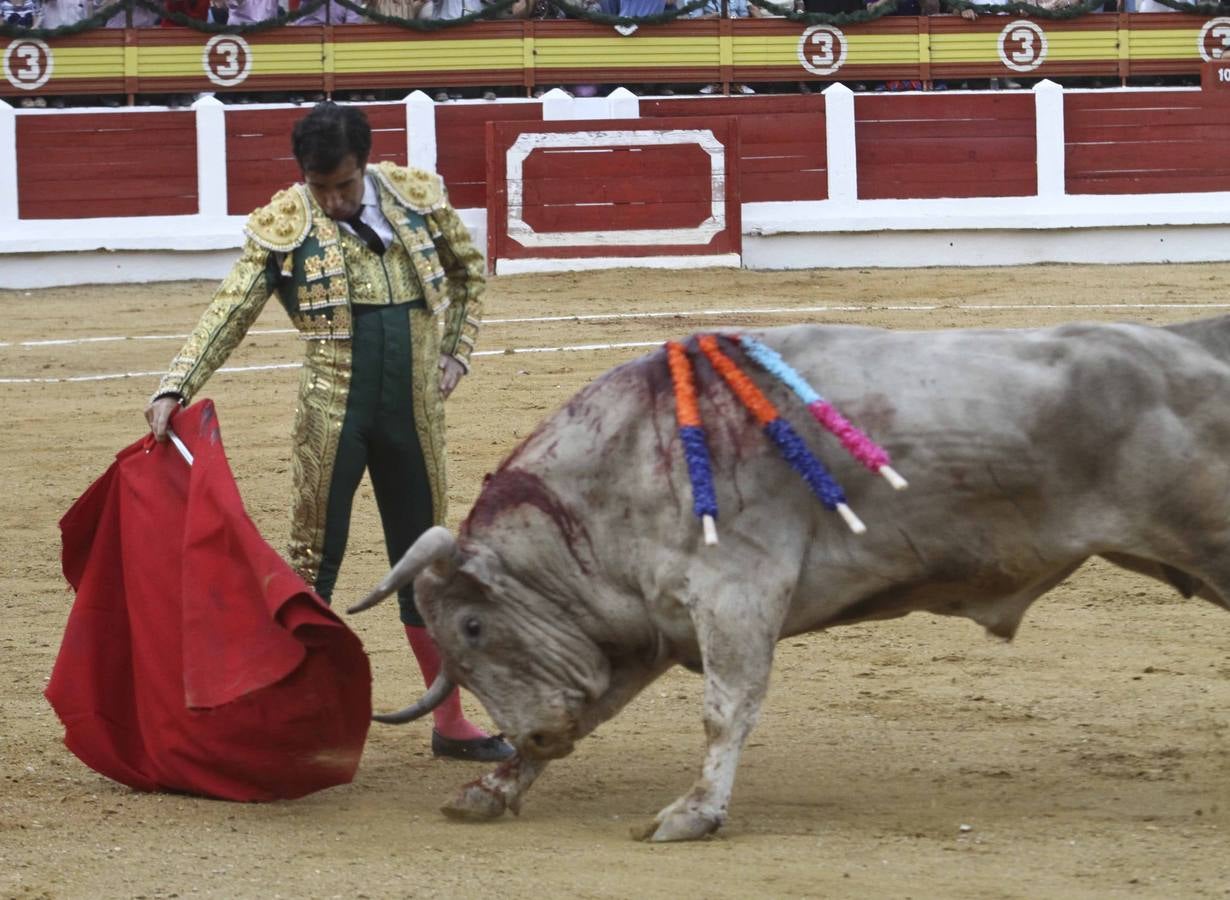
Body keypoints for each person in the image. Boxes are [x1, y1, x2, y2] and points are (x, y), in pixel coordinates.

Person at [144, 102, 513, 763]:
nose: (334, 199)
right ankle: (290, 719)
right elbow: (231, 308)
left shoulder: (414, 198)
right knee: (312, 567)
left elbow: (468, 270)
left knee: (426, 565)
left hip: (414, 412)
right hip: (333, 413)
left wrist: (456, 347)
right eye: (321, 187)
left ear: (363, 166)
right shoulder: (287, 224)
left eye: (343, 184)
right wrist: (177, 383)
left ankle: (450, 721)